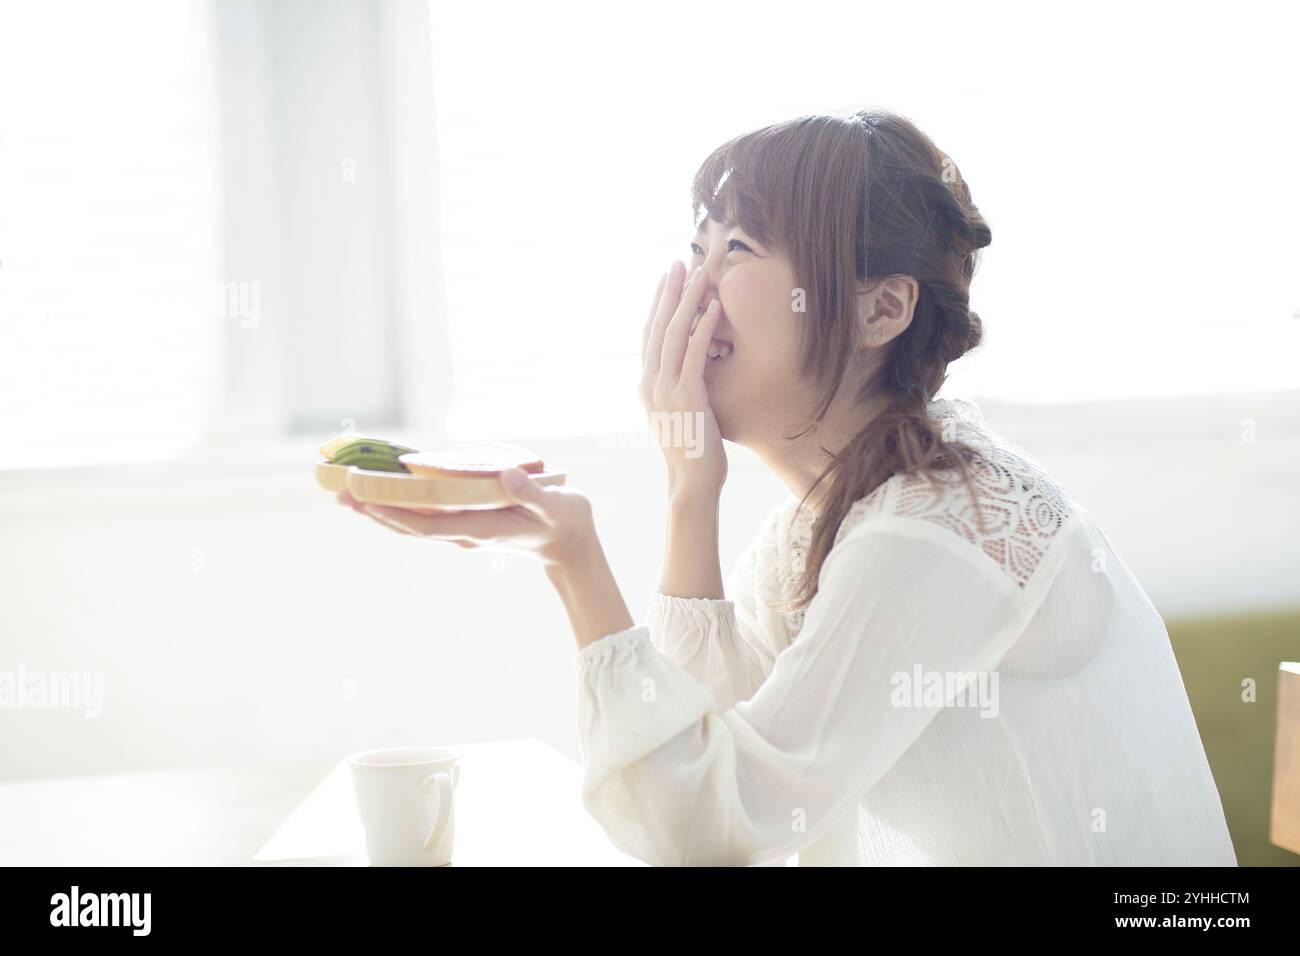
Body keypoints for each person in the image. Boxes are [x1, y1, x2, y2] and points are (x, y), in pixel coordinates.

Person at [338, 108, 1238, 867]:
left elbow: (711, 829)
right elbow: (718, 751)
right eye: (696, 244)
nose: (696, 285)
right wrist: (691, 488)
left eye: (739, 247)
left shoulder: (936, 530)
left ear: (881, 310)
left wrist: (574, 560)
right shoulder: (827, 524)